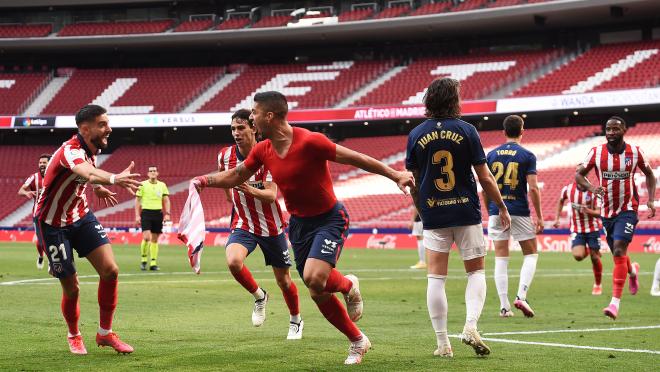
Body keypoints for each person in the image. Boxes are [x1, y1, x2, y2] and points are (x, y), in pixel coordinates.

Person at [192, 91, 413, 365]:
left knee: (314, 278)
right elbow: (237, 175)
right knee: (315, 287)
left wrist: (396, 175)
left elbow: (355, 158)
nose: (251, 118)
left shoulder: (310, 141)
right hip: (298, 226)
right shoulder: (264, 149)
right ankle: (357, 334)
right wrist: (204, 180)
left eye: (254, 113)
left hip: (330, 219)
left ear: (269, 116)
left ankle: (348, 290)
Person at [407, 77, 511, 358]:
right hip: (466, 211)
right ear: (453, 100)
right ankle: (470, 325)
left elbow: (414, 181)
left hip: (433, 212)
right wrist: (500, 206)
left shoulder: (416, 134)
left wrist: (423, 210)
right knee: (475, 272)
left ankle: (442, 344)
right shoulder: (467, 131)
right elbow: (485, 177)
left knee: (435, 278)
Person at [34, 104, 141, 354]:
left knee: (110, 270)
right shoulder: (69, 150)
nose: (109, 129)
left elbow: (84, 174)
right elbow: (85, 171)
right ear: (85, 128)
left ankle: (105, 334)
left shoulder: (91, 148)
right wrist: (113, 179)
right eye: (102, 125)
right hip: (52, 224)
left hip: (80, 216)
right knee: (72, 287)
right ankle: (74, 334)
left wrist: (96, 188)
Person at [216, 109, 303, 339]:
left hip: (272, 226)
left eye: (241, 127)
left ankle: (295, 319)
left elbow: (272, 195)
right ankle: (259, 296)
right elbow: (224, 180)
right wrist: (232, 200)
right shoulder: (224, 156)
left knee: (284, 281)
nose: (236, 133)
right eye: (233, 128)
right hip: (244, 223)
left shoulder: (269, 154)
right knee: (234, 262)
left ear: (253, 128)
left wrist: (247, 189)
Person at [576, 116, 656, 319]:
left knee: (619, 249)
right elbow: (579, 175)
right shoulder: (596, 152)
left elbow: (650, 174)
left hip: (628, 209)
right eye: (608, 129)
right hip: (607, 212)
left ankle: (614, 304)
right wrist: (593, 188)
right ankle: (633, 271)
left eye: (615, 129)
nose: (611, 132)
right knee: (618, 254)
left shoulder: (635, 152)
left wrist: (651, 200)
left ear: (624, 130)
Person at [485, 114, 543, 318]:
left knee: (500, 257)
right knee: (531, 254)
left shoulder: (491, 155)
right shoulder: (527, 155)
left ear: (504, 132)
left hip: (496, 211)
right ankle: (521, 296)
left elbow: (484, 188)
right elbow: (533, 189)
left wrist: (491, 208)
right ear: (522, 131)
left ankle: (504, 306)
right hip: (519, 210)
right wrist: (540, 216)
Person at [553, 180, 603, 295]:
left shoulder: (593, 192)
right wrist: (557, 218)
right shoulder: (568, 189)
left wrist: (588, 211)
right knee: (578, 256)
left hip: (592, 228)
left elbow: (599, 212)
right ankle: (592, 250)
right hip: (577, 228)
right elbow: (561, 201)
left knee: (595, 258)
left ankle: (598, 285)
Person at [18, 153, 51, 269]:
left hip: (54, 213)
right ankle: (41, 256)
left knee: (53, 238)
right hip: (38, 214)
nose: (41, 165)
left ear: (50, 164)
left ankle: (52, 261)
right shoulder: (34, 177)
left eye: (44, 163)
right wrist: (27, 192)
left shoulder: (55, 176)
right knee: (41, 240)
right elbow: (20, 191)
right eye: (40, 163)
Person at [135, 165, 170, 271]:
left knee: (155, 239)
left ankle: (153, 263)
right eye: (151, 171)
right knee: (146, 237)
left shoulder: (162, 185)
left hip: (158, 213)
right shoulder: (142, 185)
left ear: (157, 173)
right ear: (148, 173)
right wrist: (137, 215)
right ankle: (144, 260)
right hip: (146, 212)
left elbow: (166, 200)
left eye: (154, 171)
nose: (153, 172)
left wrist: (167, 213)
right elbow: (137, 201)